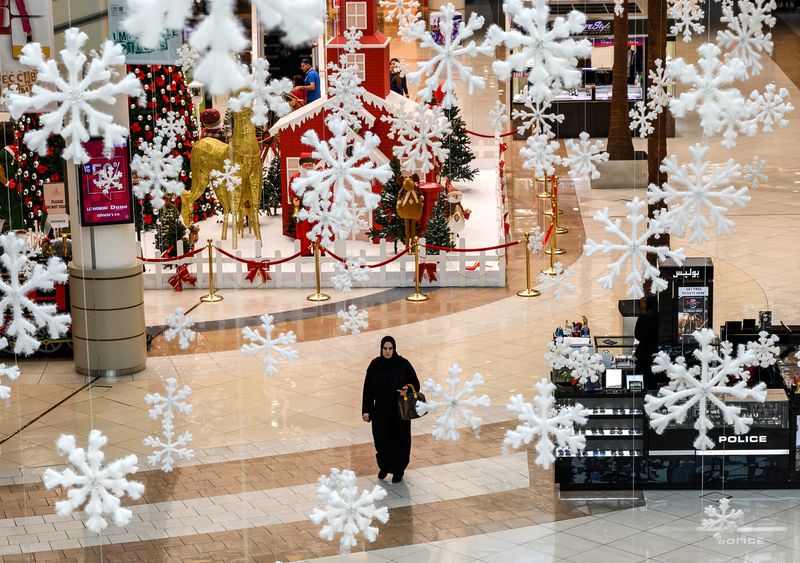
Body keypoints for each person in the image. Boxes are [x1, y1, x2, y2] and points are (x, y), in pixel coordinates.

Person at [362, 336, 420, 483]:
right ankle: (384, 467)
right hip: (380, 411)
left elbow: (415, 384)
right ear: (381, 349)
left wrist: (406, 389)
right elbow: (367, 389)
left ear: (394, 349)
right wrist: (366, 410)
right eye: (385, 348)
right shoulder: (375, 365)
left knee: (400, 440)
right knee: (381, 440)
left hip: (399, 411)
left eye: (390, 349)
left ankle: (398, 470)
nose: (387, 351)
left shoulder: (403, 364)